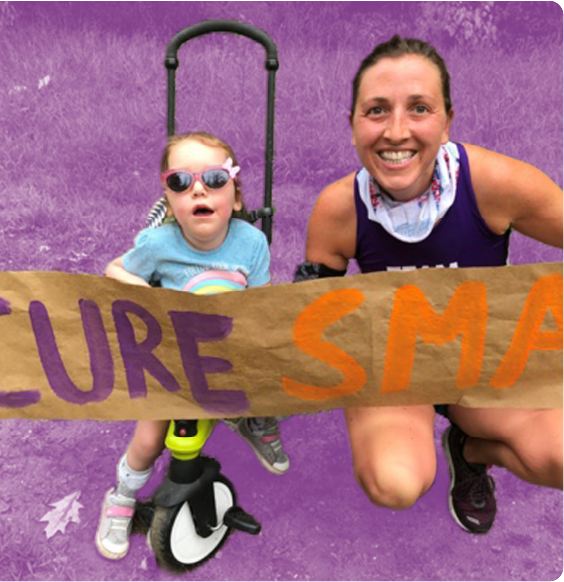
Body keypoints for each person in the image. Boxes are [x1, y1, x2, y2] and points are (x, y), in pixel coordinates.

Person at [298, 35, 563, 535]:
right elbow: (311, 317)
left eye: (419, 108)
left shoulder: (497, 182)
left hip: (485, 360)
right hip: (394, 368)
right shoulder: (336, 209)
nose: (396, 131)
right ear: (353, 125)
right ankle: (418, 441)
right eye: (376, 110)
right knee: (393, 482)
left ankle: (469, 450)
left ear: (446, 122)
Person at [96, 131, 289, 560]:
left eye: (215, 179)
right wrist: (148, 291)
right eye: (181, 182)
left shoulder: (251, 243)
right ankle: (122, 496)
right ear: (169, 198)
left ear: (235, 198)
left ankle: (257, 422)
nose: (199, 188)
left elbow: (261, 300)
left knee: (268, 379)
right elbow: (114, 271)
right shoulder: (159, 245)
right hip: (172, 360)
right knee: (150, 435)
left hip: (229, 352)